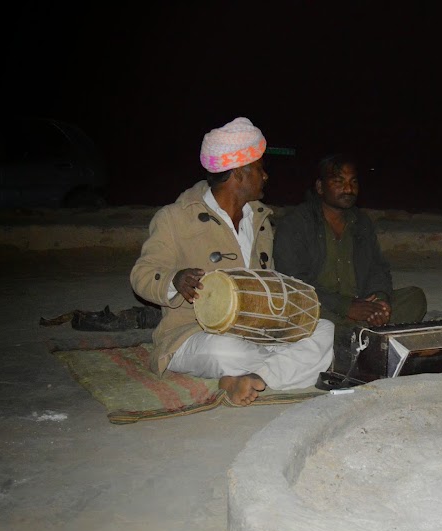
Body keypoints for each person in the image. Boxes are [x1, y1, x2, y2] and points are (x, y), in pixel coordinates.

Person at [130, 117, 334, 405]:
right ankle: (283, 368)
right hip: (195, 333)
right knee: (224, 350)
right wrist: (174, 280)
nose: (266, 176)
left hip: (255, 333)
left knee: (325, 329)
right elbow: (142, 274)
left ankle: (253, 377)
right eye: (260, 168)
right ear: (239, 172)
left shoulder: (260, 220)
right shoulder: (175, 218)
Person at [273, 153, 427, 370]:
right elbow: (292, 282)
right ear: (320, 187)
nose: (348, 189)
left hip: (359, 305)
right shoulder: (296, 223)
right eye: (339, 182)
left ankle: (355, 340)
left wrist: (380, 301)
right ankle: (363, 340)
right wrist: (346, 307)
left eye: (353, 182)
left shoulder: (361, 222)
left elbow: (377, 267)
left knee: (414, 297)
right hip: (321, 307)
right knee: (303, 314)